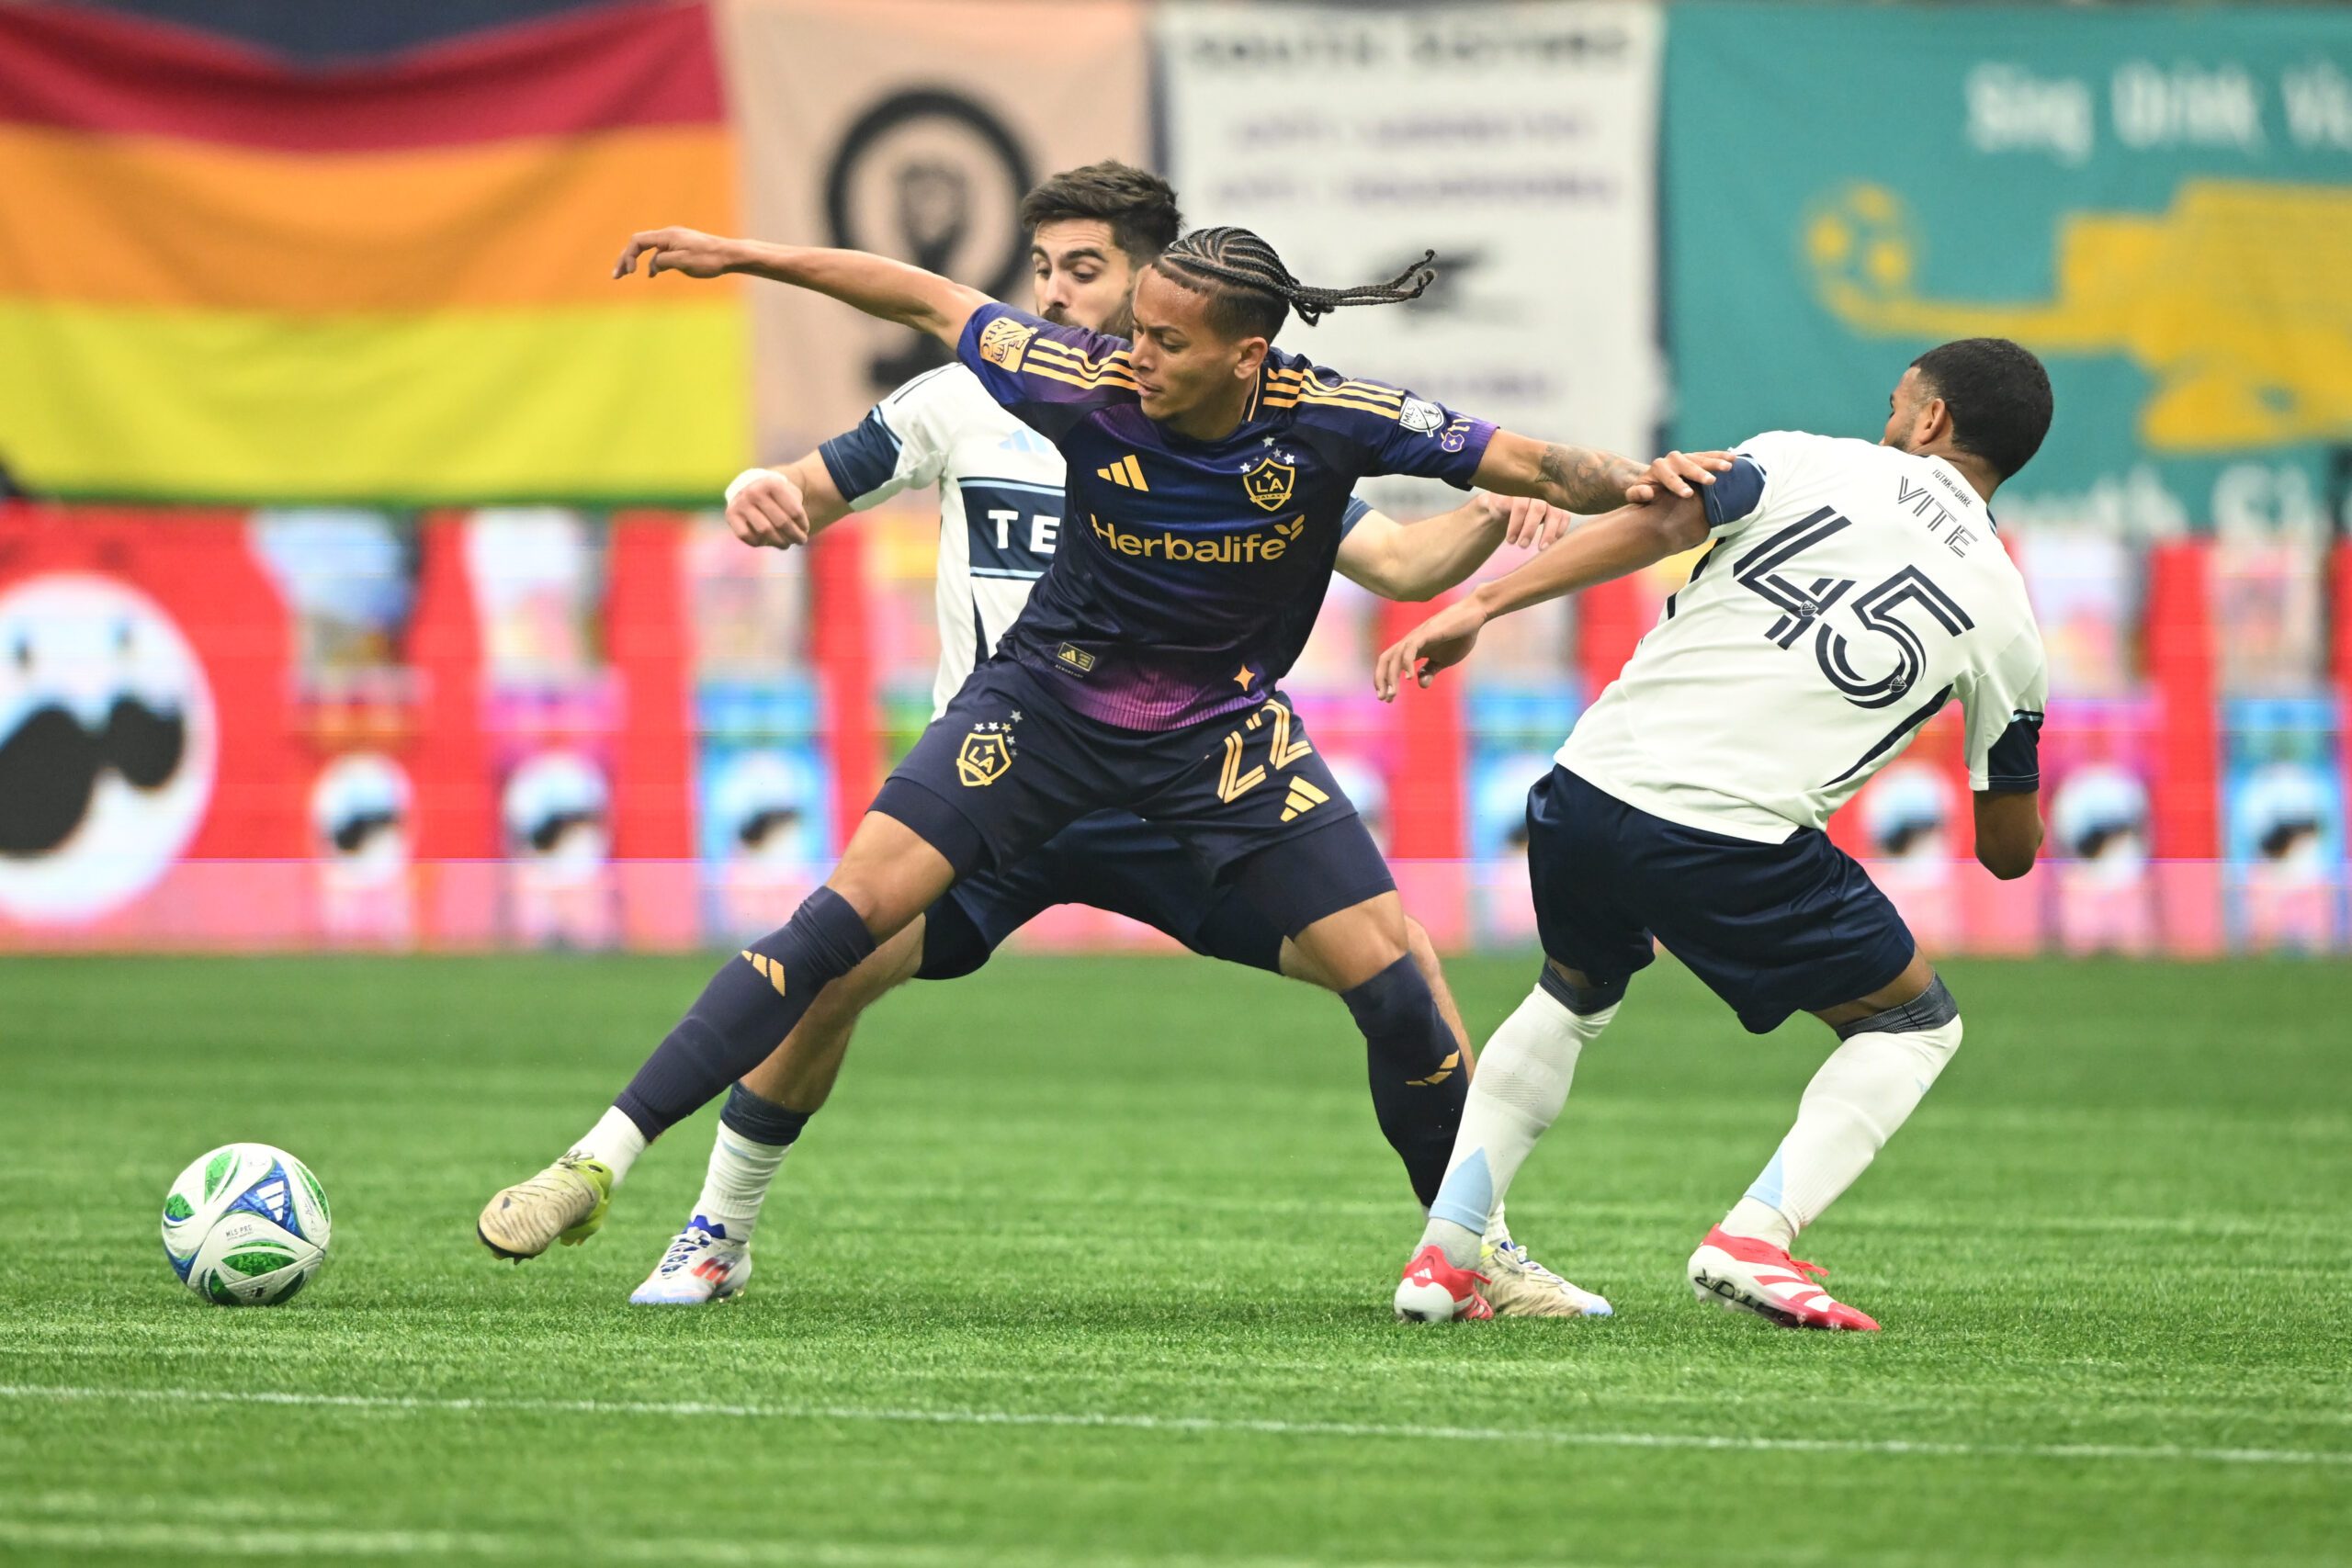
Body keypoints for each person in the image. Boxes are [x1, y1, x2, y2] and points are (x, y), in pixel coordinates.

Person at [477, 206, 1723, 1316]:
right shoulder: (1075, 378)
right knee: (831, 933)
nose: (1134, 351)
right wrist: (740, 253)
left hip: (1217, 749)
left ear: (1249, 354)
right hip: (1038, 723)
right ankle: (597, 1164)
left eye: (1166, 338)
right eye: (1129, 324)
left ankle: (1470, 1252)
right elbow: (919, 294)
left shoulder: (1336, 419)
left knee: (1397, 981)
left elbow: (1546, 466)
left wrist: (1644, 477)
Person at [1377, 338, 2052, 1328]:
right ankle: (1755, 1239)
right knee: (1913, 1023)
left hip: (1584, 789)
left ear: (1931, 420)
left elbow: (1660, 522)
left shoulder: (1806, 458)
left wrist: (1478, 600)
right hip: (1725, 838)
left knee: (1571, 992)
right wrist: (2008, 739)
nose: (1888, 420)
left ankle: (1447, 1257)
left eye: (1895, 404)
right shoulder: (2009, 620)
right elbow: (2006, 851)